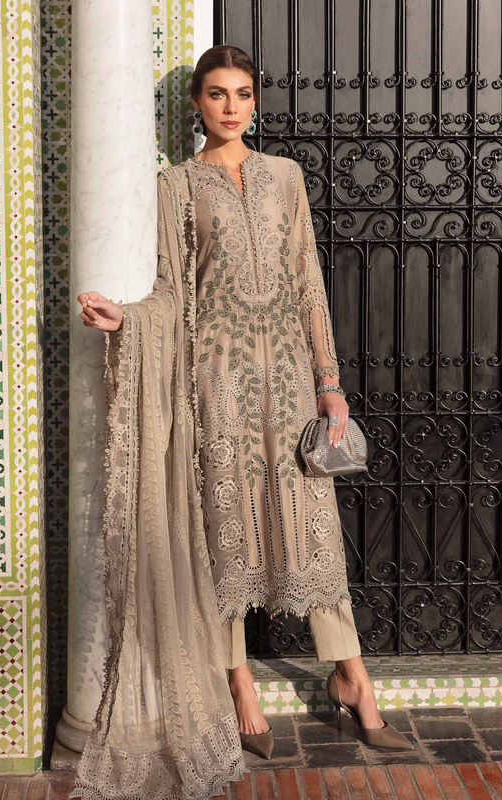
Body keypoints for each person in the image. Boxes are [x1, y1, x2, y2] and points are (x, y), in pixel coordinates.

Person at [72, 44, 413, 800]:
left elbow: (308, 282)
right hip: (219, 384)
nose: (231, 106)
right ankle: (240, 690)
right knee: (225, 542)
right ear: (196, 104)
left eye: (244, 94)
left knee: (311, 532)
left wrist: (330, 385)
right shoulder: (175, 185)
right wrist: (125, 319)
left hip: (288, 382)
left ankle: (353, 680)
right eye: (217, 93)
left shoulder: (284, 177)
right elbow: (174, 291)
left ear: (256, 102)